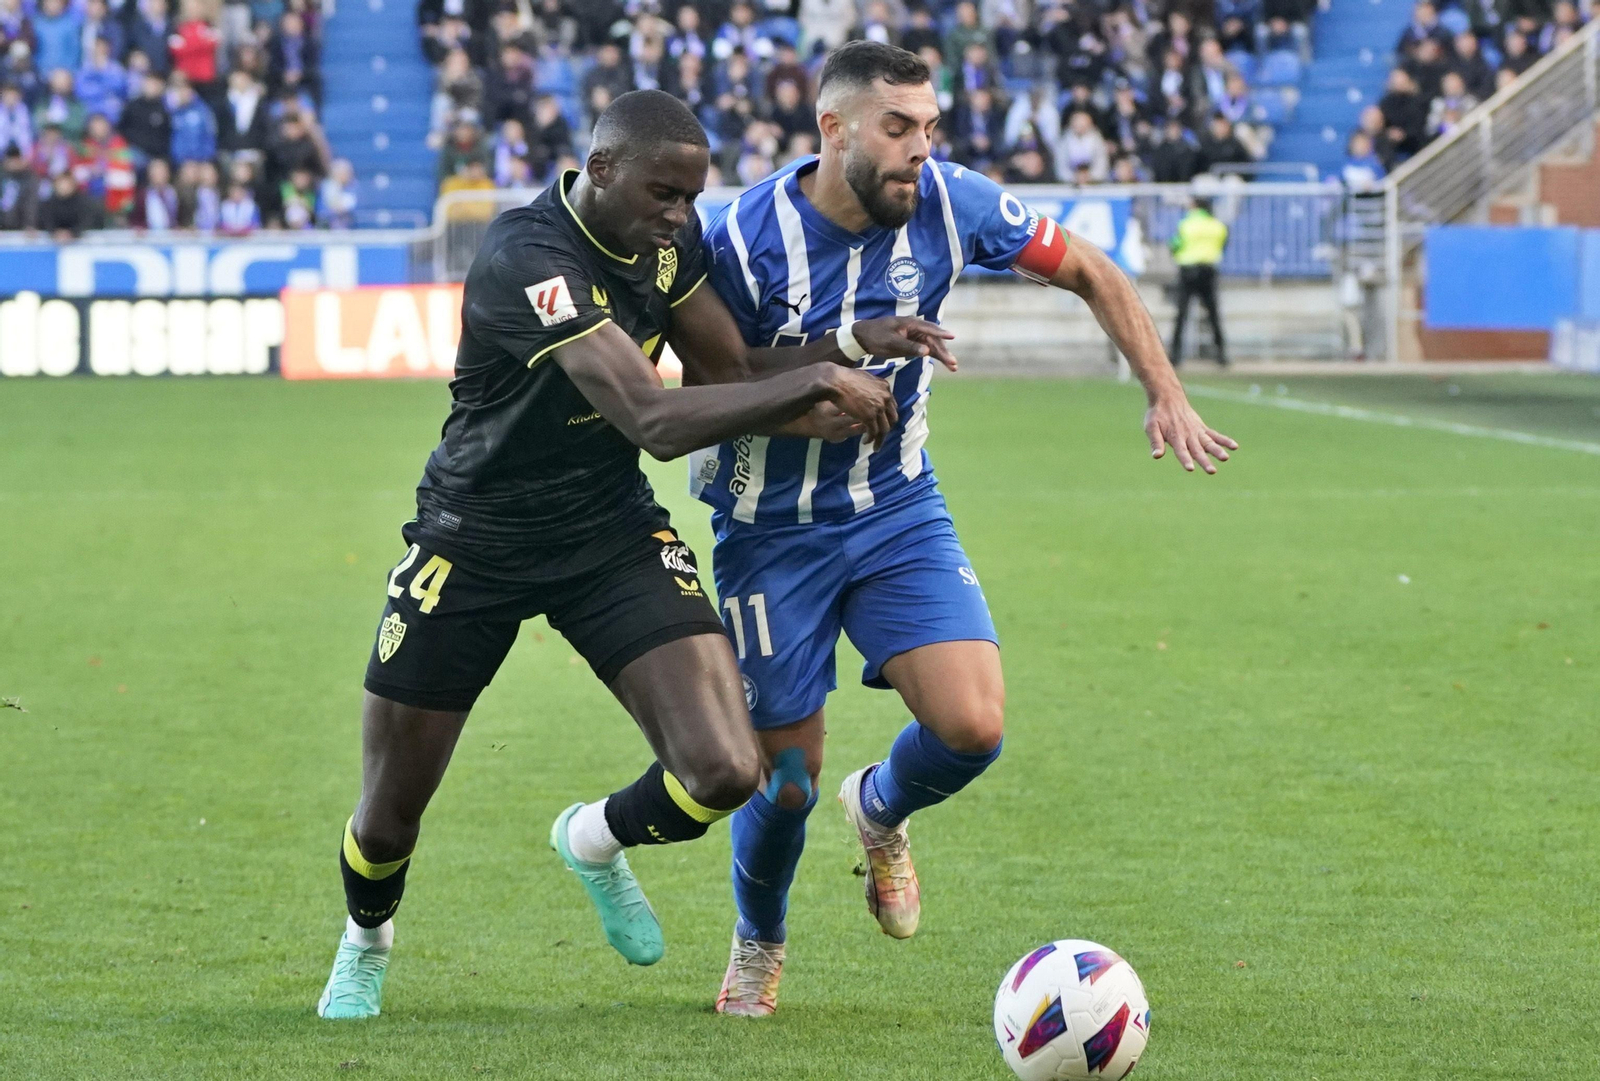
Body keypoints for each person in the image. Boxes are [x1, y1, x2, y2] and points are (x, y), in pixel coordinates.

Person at [313, 88, 952, 1022]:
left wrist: (846, 345)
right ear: (600, 169)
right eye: (664, 194)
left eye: (692, 199)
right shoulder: (529, 255)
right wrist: (818, 379)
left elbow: (727, 372)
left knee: (727, 770)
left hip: (606, 530)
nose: (681, 218)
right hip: (473, 537)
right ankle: (366, 938)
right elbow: (654, 418)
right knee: (390, 809)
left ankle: (591, 838)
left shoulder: (666, 244)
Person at [694, 41, 1236, 1017]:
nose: (919, 149)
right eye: (897, 128)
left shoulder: (955, 201)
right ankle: (759, 939)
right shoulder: (738, 234)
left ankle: (881, 807)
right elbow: (703, 381)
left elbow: (1090, 269)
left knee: (972, 726)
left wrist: (1165, 391)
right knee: (781, 781)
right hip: (768, 529)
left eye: (929, 126)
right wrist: (797, 403)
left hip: (896, 505)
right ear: (834, 130)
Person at [1168, 196, 1229, 366]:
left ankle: (1175, 355)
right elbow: (1222, 245)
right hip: (1208, 271)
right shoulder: (1217, 226)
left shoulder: (1186, 225)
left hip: (1187, 272)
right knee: (1213, 314)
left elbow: (1175, 244)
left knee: (1182, 315)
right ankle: (1222, 354)